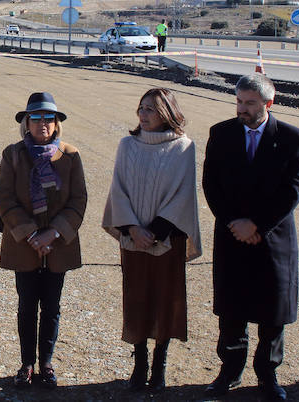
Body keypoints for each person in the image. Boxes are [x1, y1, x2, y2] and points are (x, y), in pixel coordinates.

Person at [202, 74, 299, 401]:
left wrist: (256, 225)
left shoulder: (292, 139)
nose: (242, 109)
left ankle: (268, 376)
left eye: (249, 103)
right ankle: (229, 372)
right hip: (232, 235)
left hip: (272, 240)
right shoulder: (221, 134)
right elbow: (211, 184)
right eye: (238, 101)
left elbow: (291, 192)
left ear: (268, 104)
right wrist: (235, 222)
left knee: (272, 312)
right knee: (232, 310)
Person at [102, 88, 202, 393]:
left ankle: (159, 364)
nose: (143, 115)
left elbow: (182, 195)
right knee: (137, 298)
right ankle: (140, 362)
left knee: (164, 300)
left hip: (166, 241)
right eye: (141, 108)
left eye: (152, 110)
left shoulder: (183, 148)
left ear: (168, 114)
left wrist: (155, 232)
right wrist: (133, 228)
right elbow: (118, 189)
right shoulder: (127, 145)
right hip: (133, 241)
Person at [0, 92, 87, 390]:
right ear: (26, 123)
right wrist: (32, 234)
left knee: (51, 306)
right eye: (36, 118)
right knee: (26, 305)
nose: (43, 124)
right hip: (24, 245)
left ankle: (46, 363)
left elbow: (78, 199)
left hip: (57, 246)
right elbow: (5, 198)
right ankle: (27, 364)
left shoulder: (70, 155)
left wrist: (54, 232)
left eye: (49, 118)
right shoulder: (12, 154)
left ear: (57, 124)